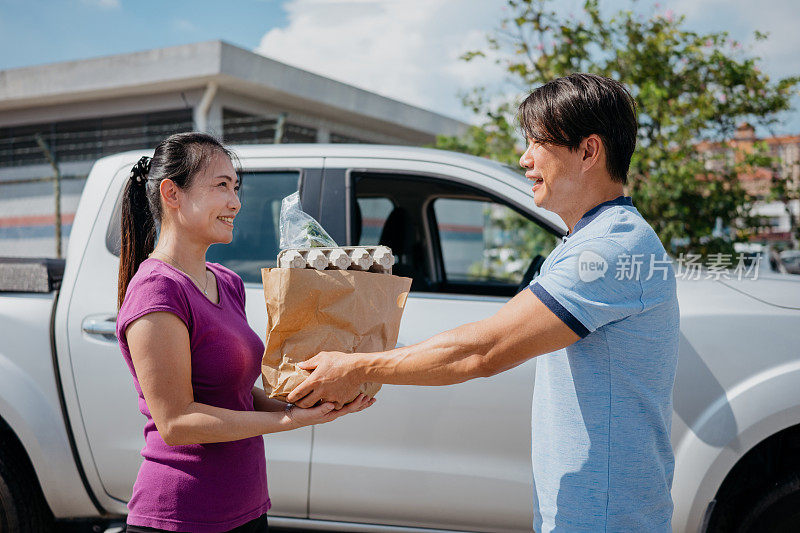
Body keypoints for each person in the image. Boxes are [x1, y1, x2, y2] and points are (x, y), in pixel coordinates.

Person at [286, 74, 681, 532]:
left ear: (589, 151)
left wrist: (355, 367)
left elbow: (484, 351)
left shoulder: (610, 249)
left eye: (538, 142)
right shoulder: (593, 238)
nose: (525, 159)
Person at [116, 132, 374, 533]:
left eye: (236, 187)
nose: (235, 202)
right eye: (221, 186)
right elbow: (177, 422)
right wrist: (287, 422)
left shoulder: (226, 281)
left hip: (247, 506)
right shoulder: (157, 289)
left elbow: (235, 394)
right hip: (182, 514)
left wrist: (309, 404)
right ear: (172, 193)